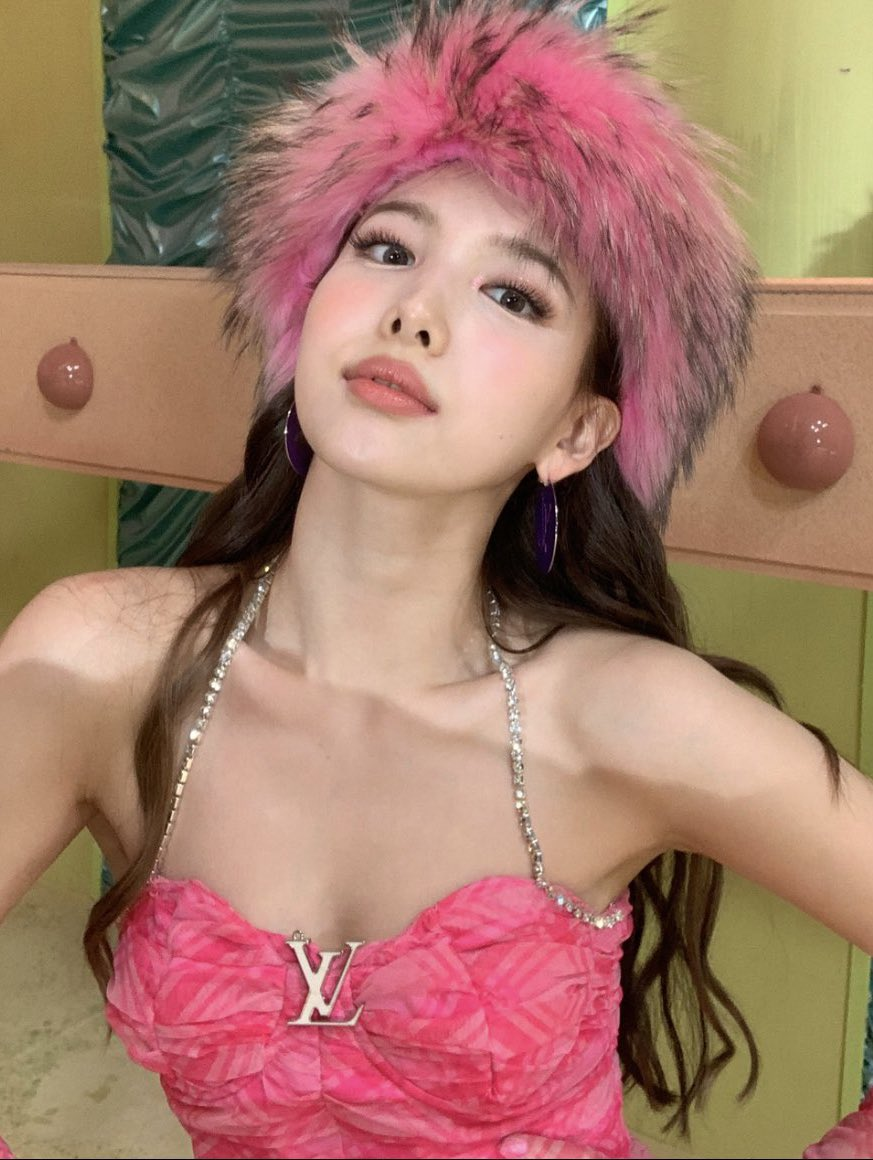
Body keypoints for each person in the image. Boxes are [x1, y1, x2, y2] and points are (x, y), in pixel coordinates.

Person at [2, 2, 873, 1157]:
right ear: (305, 315)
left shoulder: (626, 713)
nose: (415, 312)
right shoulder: (97, 660)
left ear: (574, 430)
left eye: (514, 295)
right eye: (386, 248)